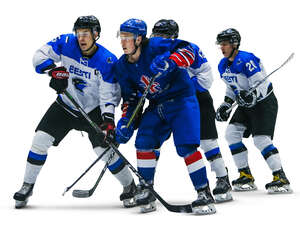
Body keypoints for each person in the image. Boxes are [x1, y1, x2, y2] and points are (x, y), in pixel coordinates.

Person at [13, 15, 137, 209]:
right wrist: (52, 71)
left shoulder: (107, 60)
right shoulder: (65, 42)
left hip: (93, 111)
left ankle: (130, 185)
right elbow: (39, 56)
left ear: (96, 34)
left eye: (86, 33)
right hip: (66, 105)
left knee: (104, 151)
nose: (81, 38)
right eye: (79, 33)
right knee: (40, 140)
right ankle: (27, 185)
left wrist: (108, 120)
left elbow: (108, 95)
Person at [113, 18, 216, 215]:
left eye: (127, 37)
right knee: (143, 141)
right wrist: (127, 121)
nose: (123, 42)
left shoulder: (157, 45)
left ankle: (204, 192)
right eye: (122, 37)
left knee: (186, 146)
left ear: (139, 39)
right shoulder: (122, 66)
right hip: (157, 104)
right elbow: (132, 98)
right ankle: (147, 189)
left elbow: (189, 50)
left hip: (182, 100)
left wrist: (171, 61)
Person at [150, 19, 232, 203]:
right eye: (156, 35)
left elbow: (206, 79)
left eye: (163, 35)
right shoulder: (149, 52)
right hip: (165, 102)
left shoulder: (188, 49)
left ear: (173, 37)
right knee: (151, 141)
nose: (159, 39)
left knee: (207, 142)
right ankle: (147, 186)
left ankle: (222, 179)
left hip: (195, 100)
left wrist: (182, 88)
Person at [215, 28, 292, 194]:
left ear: (235, 44)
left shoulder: (246, 59)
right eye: (220, 44)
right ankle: (245, 175)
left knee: (261, 140)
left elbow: (261, 84)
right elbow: (231, 88)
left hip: (264, 103)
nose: (222, 47)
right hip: (246, 105)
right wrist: (225, 106)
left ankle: (280, 177)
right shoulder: (222, 65)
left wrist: (253, 95)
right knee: (231, 134)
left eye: (225, 44)